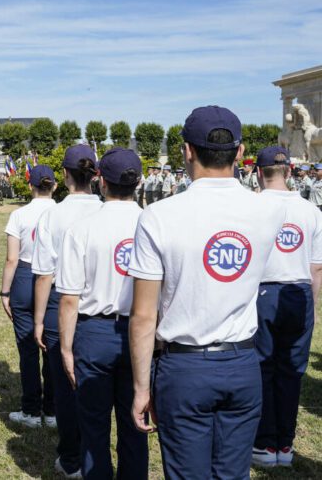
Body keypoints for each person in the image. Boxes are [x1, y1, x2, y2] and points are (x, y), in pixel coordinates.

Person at [128, 105, 286, 480]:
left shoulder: (159, 215)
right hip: (243, 363)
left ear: (187, 151)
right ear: (241, 152)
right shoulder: (268, 211)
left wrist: (139, 387)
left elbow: (144, 315)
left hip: (185, 365)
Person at [58, 147, 147, 479]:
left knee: (94, 428)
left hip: (94, 332)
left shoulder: (82, 229)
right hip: (142, 330)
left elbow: (69, 298)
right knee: (135, 424)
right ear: (138, 182)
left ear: (101, 182)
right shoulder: (151, 223)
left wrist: (66, 348)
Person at [32, 143, 103, 478]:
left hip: (62, 306)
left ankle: (71, 456)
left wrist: (37, 319)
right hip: (101, 312)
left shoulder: (53, 214)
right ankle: (91, 453)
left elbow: (45, 273)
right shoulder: (106, 209)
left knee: (64, 387)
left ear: (65, 174)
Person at [250, 146, 322, 468]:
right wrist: (312, 304)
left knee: (264, 368)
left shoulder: (251, 205)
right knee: (292, 371)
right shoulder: (311, 210)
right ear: (290, 172)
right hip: (299, 290)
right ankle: (285, 445)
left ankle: (265, 443)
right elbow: (316, 267)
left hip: (263, 290)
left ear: (258, 173)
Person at [0, 165, 58, 429]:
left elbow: (12, 258)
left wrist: (5, 291)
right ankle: (53, 409)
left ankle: (31, 410)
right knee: (52, 348)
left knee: (28, 350)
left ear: (31, 186)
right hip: (55, 280)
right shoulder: (62, 213)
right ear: (54, 186)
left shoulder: (19, 214)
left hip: (25, 276)